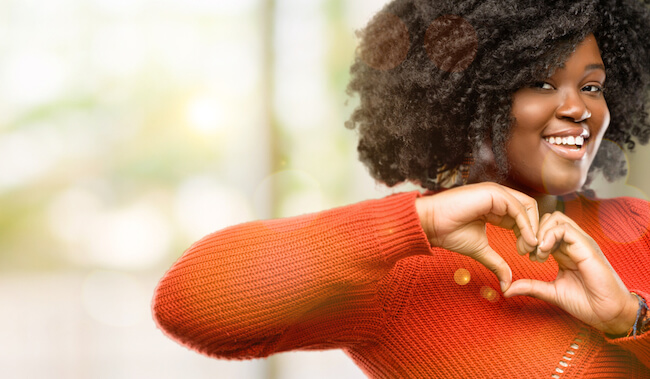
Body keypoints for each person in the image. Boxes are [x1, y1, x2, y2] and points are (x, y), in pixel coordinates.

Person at [152, 0, 650, 377]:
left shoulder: (639, 224)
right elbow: (188, 304)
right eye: (541, 83)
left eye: (591, 86)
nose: (581, 109)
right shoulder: (404, 264)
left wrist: (629, 318)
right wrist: (417, 221)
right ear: (462, 99)